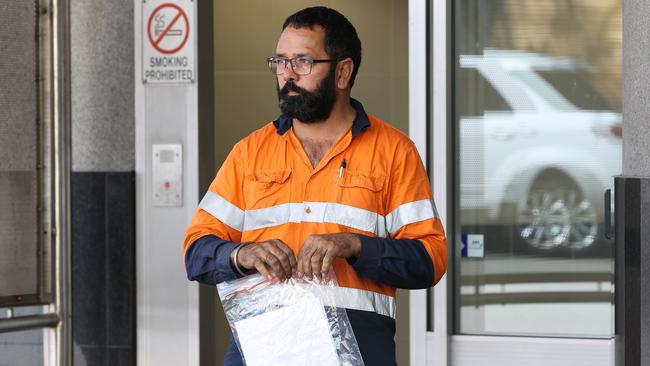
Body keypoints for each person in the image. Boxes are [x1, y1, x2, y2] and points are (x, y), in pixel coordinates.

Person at [183, 6, 447, 366]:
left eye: (303, 62)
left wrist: (354, 246)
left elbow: (429, 261)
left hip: (357, 354)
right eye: (280, 61)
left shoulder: (394, 152)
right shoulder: (249, 153)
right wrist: (242, 255)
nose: (287, 74)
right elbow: (196, 252)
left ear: (343, 71)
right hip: (261, 351)